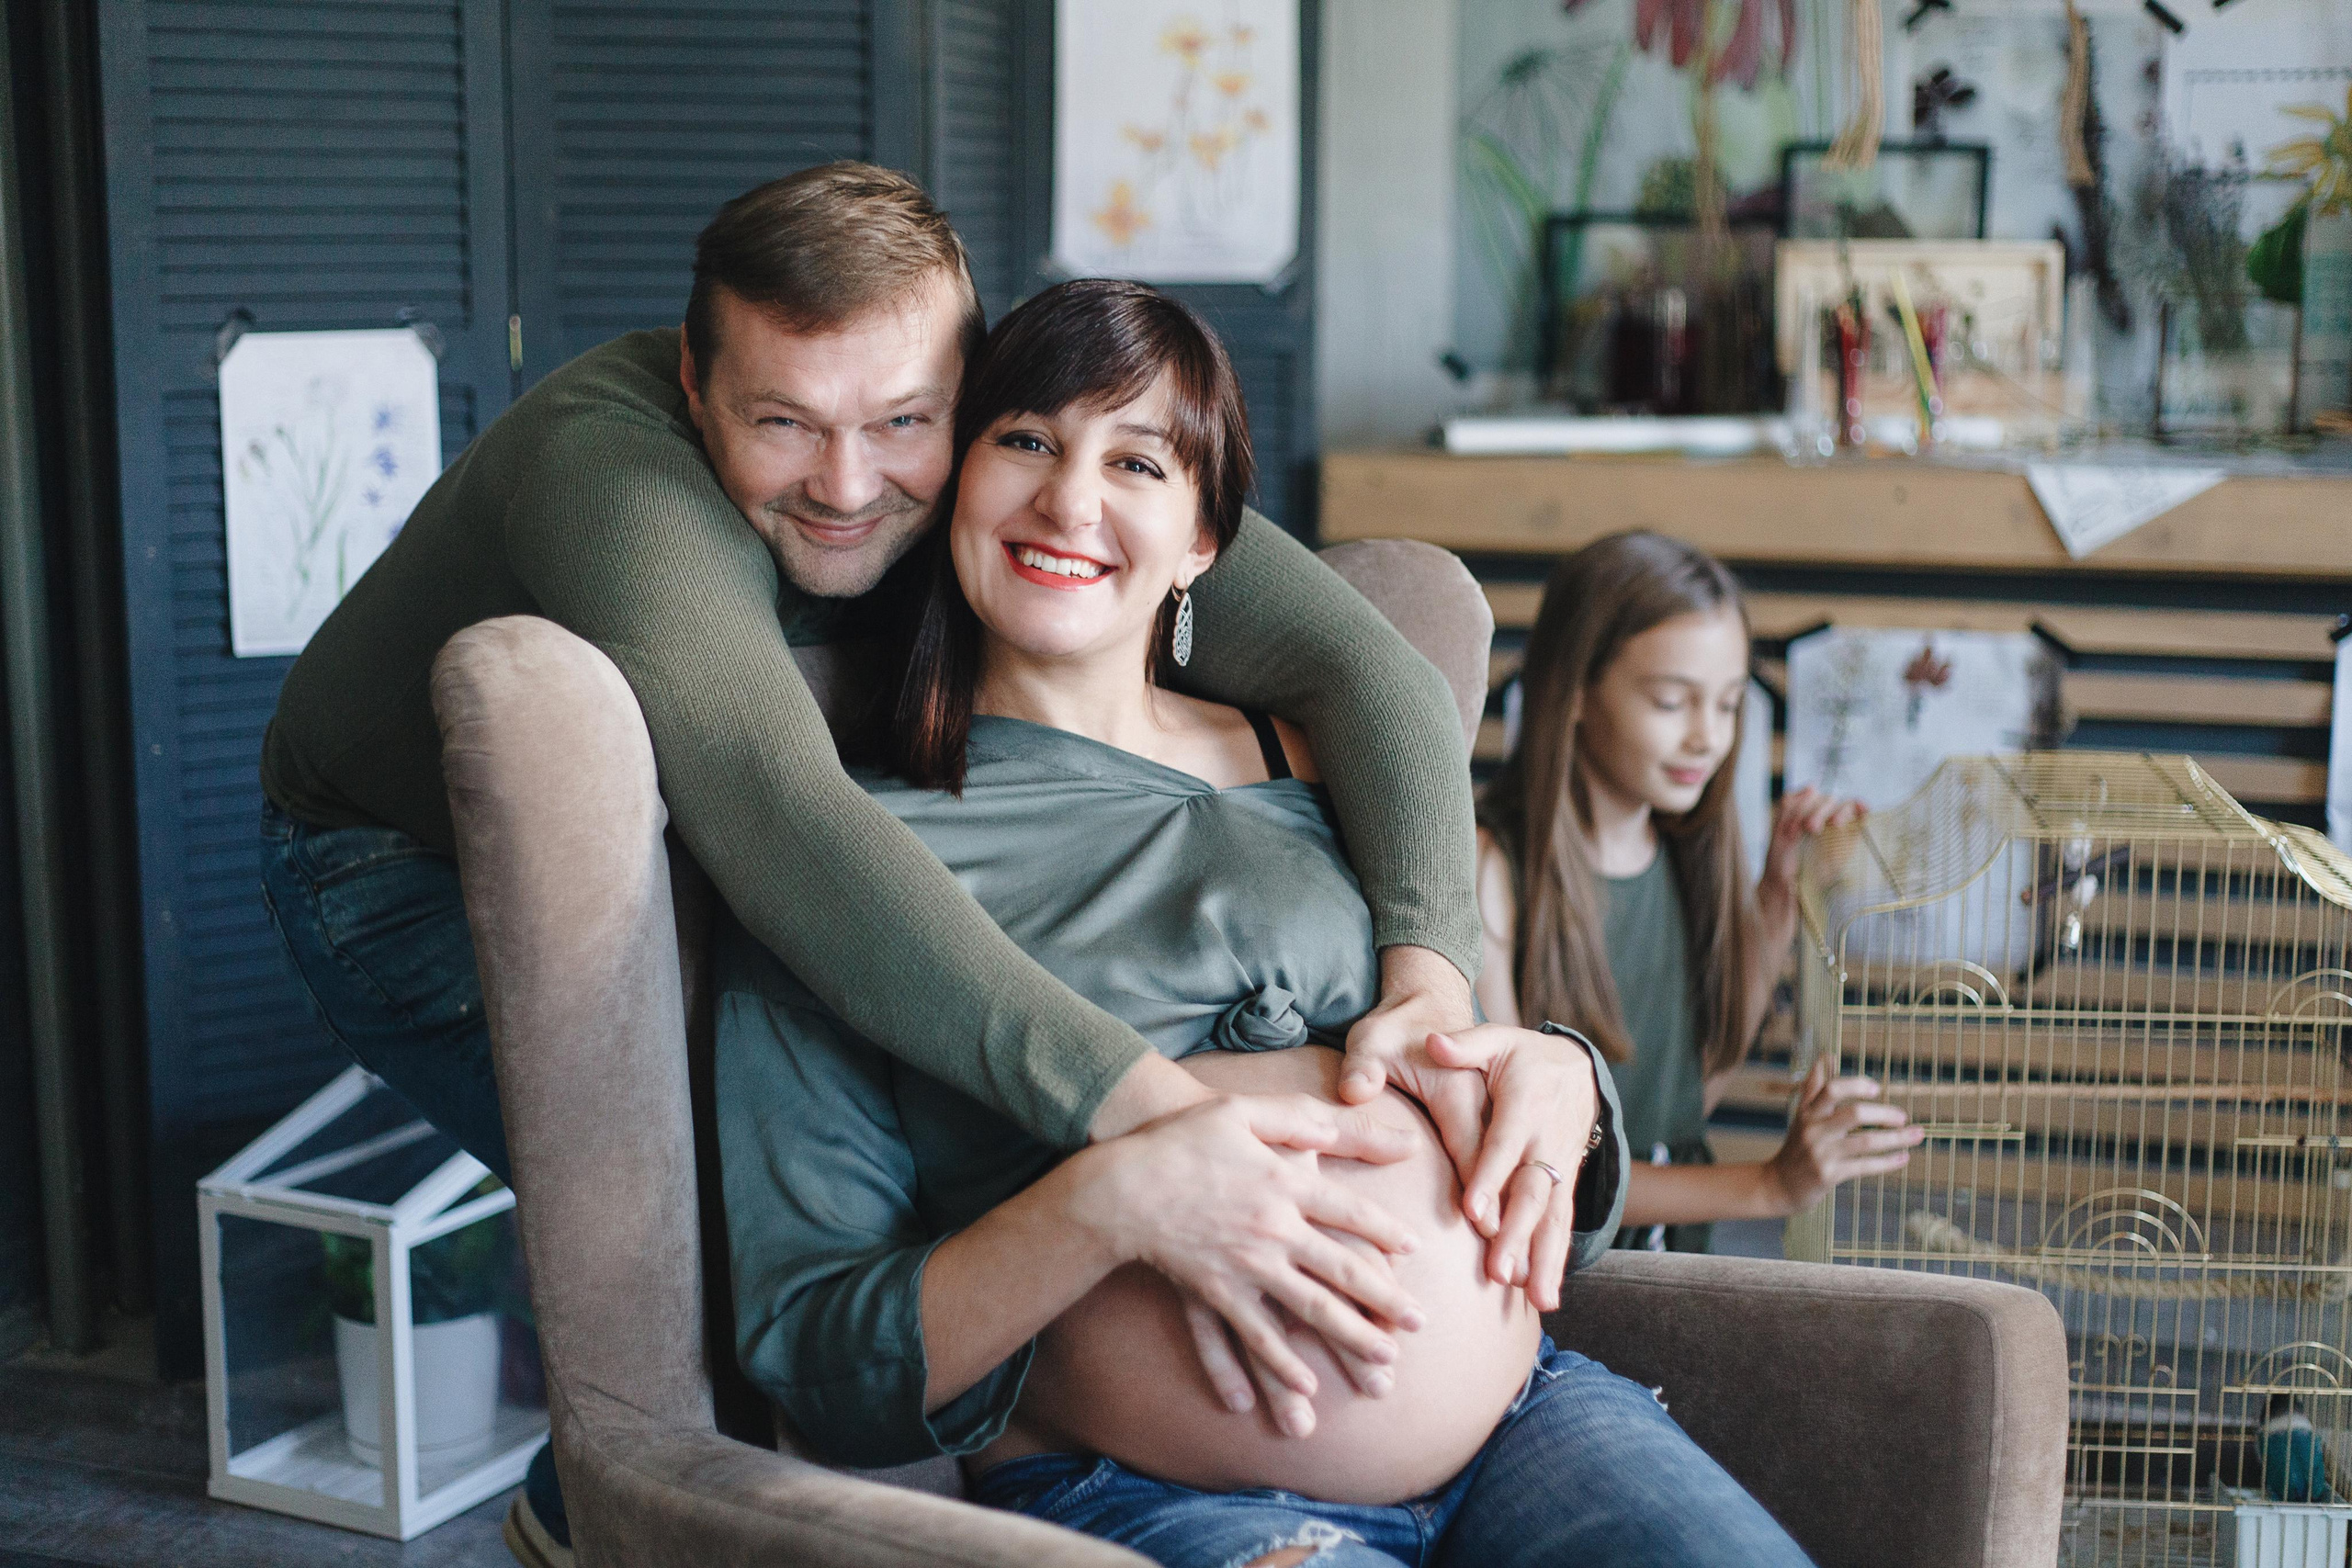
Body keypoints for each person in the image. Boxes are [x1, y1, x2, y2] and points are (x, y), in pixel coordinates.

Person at [254, 164, 1584, 1566]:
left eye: (903, 422)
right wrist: (1148, 1122)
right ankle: (609, 1506)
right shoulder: (610, 465)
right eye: (784, 421)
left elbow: (1366, 662)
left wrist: (1434, 989)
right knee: (740, 1217)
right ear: (699, 388)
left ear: (969, 375)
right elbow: (783, 815)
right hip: (398, 868)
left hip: (726, 789)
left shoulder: (1032, 448)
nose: (848, 479)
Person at [718, 278, 1815, 1568]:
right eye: (1024, 440)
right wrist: (1108, 1202)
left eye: (1136, 460)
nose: (1071, 500)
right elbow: (822, 1359)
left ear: (1201, 542)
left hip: (1536, 1422)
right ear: (956, 477)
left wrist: (1565, 1079)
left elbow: (1475, 1077)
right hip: (1158, 1496)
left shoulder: (1319, 758)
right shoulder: (838, 858)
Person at [1474, 531, 1924, 1254]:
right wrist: (1772, 1185)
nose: (1707, 739)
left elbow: (1693, 1090)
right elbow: (1538, 1162)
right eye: (1672, 701)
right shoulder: (1489, 869)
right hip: (1565, 1267)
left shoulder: (1686, 847)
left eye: (1727, 705)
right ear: (1576, 689)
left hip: (1677, 1252)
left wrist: (1779, 894)